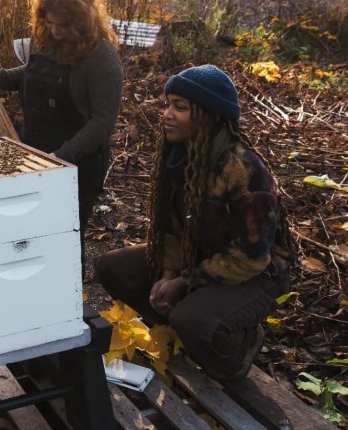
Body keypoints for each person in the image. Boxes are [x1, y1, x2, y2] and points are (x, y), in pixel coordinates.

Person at [95, 65, 296, 382]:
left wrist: (184, 282)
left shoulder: (244, 168)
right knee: (111, 266)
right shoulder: (180, 156)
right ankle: (172, 331)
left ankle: (238, 349)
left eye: (180, 107)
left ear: (209, 115)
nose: (167, 114)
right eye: (167, 104)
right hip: (203, 255)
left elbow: (252, 256)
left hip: (258, 273)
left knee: (194, 320)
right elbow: (173, 227)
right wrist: (168, 273)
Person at [0, 0, 123, 277]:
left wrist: (62, 157)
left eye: (63, 25)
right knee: (27, 233)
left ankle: (69, 302)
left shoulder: (102, 58)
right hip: (35, 151)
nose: (54, 30)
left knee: (64, 236)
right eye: (50, 22)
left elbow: (102, 121)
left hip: (77, 163)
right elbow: (32, 72)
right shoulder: (48, 41)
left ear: (83, 20)